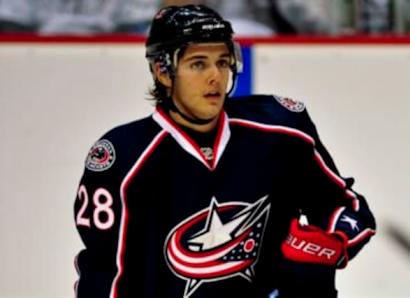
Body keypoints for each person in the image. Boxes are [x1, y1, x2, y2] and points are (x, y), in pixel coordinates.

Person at [73, 4, 376, 298]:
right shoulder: (123, 157)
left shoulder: (283, 131)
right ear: (163, 72)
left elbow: (346, 207)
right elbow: (103, 276)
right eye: (198, 63)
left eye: (222, 61)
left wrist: (331, 243)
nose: (215, 76)